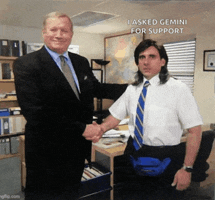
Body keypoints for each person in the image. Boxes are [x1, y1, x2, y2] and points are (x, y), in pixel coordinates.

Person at [13, 11, 127, 200]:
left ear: (71, 34)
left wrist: (133, 88)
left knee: (71, 194)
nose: (59, 34)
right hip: (46, 153)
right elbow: (36, 113)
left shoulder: (80, 62)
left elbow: (96, 88)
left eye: (64, 30)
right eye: (54, 29)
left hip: (75, 150)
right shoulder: (26, 64)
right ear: (44, 32)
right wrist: (82, 128)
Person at [88, 39, 203, 199]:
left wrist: (187, 168)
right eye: (141, 57)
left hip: (166, 158)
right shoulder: (132, 89)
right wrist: (101, 128)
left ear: (162, 61)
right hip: (134, 153)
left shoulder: (179, 89)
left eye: (152, 56)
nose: (146, 61)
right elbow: (115, 116)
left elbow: (194, 131)